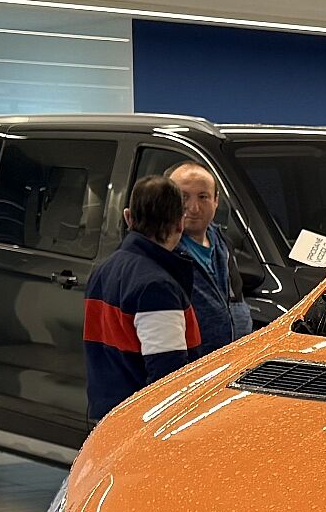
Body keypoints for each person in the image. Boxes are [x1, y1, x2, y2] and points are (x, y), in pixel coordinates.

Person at [84, 172, 220, 418]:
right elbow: (168, 379)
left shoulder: (103, 270)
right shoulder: (157, 287)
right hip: (140, 422)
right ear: (180, 223)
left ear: (128, 217)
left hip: (107, 416)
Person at [169, 162, 249, 338]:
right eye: (183, 197)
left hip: (236, 352)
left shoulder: (222, 244)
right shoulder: (163, 252)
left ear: (216, 200)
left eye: (203, 197)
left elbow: (236, 302)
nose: (194, 208)